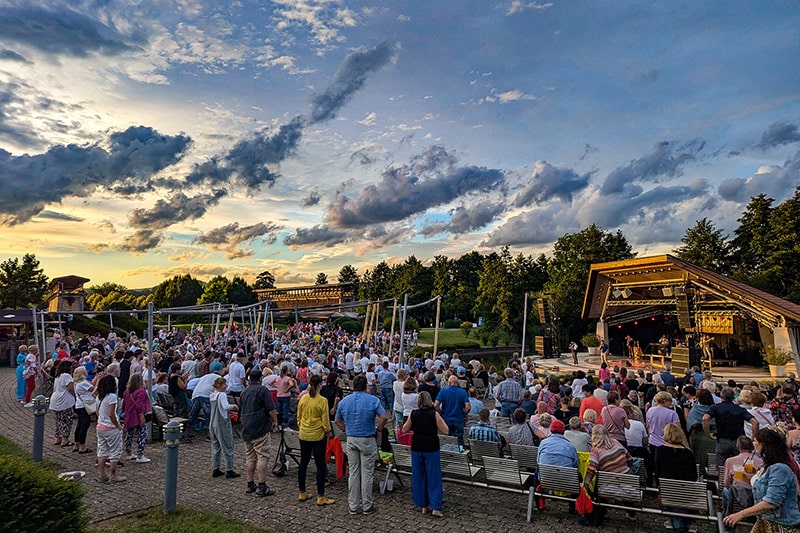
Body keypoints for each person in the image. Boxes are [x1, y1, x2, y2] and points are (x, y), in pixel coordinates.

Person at [723, 428, 800, 531]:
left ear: (762, 444)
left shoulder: (780, 469)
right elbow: (762, 486)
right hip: (765, 521)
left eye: (755, 441)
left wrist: (741, 514)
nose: (753, 444)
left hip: (781, 524)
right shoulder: (768, 466)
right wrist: (745, 478)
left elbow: (771, 502)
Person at [335, 374, 388, 515]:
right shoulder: (373, 400)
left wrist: (346, 429)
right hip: (367, 438)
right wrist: (379, 430)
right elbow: (384, 417)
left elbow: (337, 420)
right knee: (367, 473)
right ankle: (367, 505)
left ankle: (353, 505)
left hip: (352, 438)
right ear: (366, 386)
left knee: (353, 472)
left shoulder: (344, 401)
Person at [402, 391, 448, 517]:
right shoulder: (434, 414)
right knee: (433, 477)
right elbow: (445, 430)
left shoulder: (413, 414)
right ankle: (435, 507)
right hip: (431, 447)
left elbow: (405, 429)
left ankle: (423, 505)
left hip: (417, 447)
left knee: (419, 477)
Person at [239, 368, 278, 497]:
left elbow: (240, 410)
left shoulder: (244, 392)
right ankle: (262, 486)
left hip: (247, 427)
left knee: (250, 457)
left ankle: (250, 483)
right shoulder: (262, 390)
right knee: (262, 456)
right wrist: (275, 420)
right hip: (260, 427)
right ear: (260, 379)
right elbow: (271, 408)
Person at [297, 375, 334, 506]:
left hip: (304, 434)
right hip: (318, 435)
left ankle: (302, 492)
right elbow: (326, 420)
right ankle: (321, 495)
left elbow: (299, 416)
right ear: (319, 385)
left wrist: (301, 426)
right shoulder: (322, 401)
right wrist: (328, 431)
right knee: (320, 465)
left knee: (303, 463)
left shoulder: (303, 398)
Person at [654, 423, 697, 532]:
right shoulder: (688, 453)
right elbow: (694, 476)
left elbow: (657, 471)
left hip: (667, 489)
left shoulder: (660, 450)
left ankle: (674, 521)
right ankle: (683, 523)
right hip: (684, 491)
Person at [703, 387, 758, 467]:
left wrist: (707, 433)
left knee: (721, 466)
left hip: (722, 440)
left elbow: (705, 418)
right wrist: (753, 437)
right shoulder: (740, 409)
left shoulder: (715, 407)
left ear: (722, 396)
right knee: (738, 465)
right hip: (737, 441)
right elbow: (755, 422)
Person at [721, 435, 763, 518]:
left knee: (725, 491)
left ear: (737, 446)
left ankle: (725, 517)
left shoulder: (730, 461)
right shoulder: (761, 462)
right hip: (754, 498)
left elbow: (726, 483)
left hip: (735, 497)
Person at [95, 374, 126, 483]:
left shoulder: (99, 397)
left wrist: (102, 419)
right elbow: (111, 414)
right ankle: (113, 475)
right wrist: (118, 426)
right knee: (115, 451)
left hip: (100, 426)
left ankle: (101, 474)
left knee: (102, 451)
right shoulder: (112, 397)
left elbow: (97, 411)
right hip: (111, 427)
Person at [209, 376, 239, 479]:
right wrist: (233, 406)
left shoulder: (212, 395)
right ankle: (229, 469)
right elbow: (225, 407)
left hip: (212, 423)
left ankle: (215, 468)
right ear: (220, 385)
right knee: (227, 446)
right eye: (225, 384)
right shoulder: (222, 395)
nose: (226, 386)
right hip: (221, 423)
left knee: (216, 446)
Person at [123, 373, 152, 463]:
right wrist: (141, 416)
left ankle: (128, 453)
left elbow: (124, 404)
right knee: (143, 433)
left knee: (130, 434)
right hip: (137, 415)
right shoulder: (141, 391)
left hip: (129, 414)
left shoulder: (127, 391)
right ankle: (140, 454)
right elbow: (140, 405)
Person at [435, 375, 470, 446]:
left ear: (449, 382)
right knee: (459, 439)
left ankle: (448, 451)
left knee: (447, 439)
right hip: (458, 419)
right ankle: (459, 450)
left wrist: (440, 412)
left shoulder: (443, 391)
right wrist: (464, 413)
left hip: (446, 418)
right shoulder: (463, 392)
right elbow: (468, 407)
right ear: (457, 383)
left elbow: (436, 405)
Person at [49, 359, 76, 447]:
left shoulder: (58, 376)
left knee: (58, 420)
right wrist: (76, 396)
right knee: (66, 420)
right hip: (64, 400)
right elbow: (70, 388)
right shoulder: (67, 376)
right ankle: (65, 439)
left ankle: (58, 438)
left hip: (55, 399)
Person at [73, 366, 95, 454]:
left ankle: (77, 443)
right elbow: (93, 389)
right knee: (84, 425)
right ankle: (82, 446)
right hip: (84, 406)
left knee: (79, 425)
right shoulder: (83, 383)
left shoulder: (77, 383)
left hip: (79, 405)